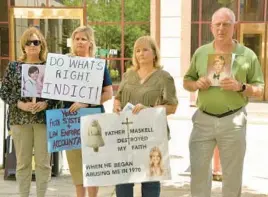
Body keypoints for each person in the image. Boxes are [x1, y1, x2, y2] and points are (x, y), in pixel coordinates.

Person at [183, 7, 264, 197]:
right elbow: (187, 82)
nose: (221, 28)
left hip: (233, 120)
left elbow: (260, 90)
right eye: (217, 24)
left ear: (233, 27)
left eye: (226, 24)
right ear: (211, 27)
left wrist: (241, 87)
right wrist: (196, 83)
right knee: (199, 174)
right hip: (203, 120)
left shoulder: (248, 55)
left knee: (232, 176)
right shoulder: (201, 52)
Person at [113, 36, 178, 197]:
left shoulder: (164, 77)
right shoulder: (128, 75)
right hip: (127, 134)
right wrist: (116, 104)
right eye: (137, 50)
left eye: (145, 49)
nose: (141, 53)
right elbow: (118, 96)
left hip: (152, 135)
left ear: (154, 53)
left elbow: (172, 106)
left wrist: (148, 110)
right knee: (123, 180)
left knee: (150, 181)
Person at [0, 27, 57, 197]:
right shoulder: (14, 66)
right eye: (28, 42)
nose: (32, 45)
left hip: (43, 121)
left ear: (42, 45)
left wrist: (46, 104)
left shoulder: (50, 67)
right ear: (23, 46)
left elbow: (58, 93)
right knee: (23, 163)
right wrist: (19, 104)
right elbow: (4, 91)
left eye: (36, 42)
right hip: (20, 120)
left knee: (43, 163)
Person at [63, 26, 113, 197]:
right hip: (70, 120)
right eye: (76, 38)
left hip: (94, 119)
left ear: (90, 42)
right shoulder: (64, 64)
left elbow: (108, 93)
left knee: (93, 164)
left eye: (83, 39)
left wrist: (86, 102)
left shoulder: (99, 66)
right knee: (76, 167)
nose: (79, 42)